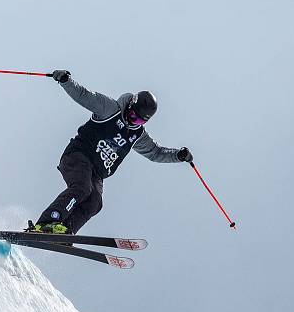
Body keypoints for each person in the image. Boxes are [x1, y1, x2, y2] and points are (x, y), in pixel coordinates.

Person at [33, 70, 192, 235]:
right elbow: (83, 95)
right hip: (79, 156)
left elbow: (156, 152)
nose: (132, 121)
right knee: (82, 188)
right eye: (132, 115)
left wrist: (177, 155)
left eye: (138, 120)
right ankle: (48, 221)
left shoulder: (137, 135)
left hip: (97, 173)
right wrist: (66, 81)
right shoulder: (110, 109)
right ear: (130, 105)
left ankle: (64, 231)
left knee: (95, 202)